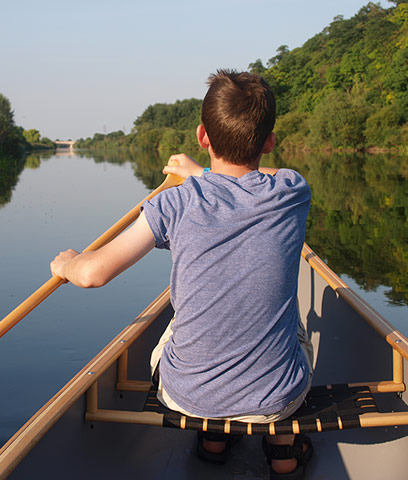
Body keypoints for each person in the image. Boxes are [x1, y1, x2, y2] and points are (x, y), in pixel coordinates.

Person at [50, 70, 313, 479]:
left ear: (202, 136)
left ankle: (213, 441)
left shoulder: (174, 203)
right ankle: (282, 452)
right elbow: (243, 186)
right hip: (277, 400)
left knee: (178, 322)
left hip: (186, 399)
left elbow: (91, 275)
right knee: (294, 316)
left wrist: (66, 263)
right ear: (270, 141)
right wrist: (202, 174)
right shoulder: (292, 190)